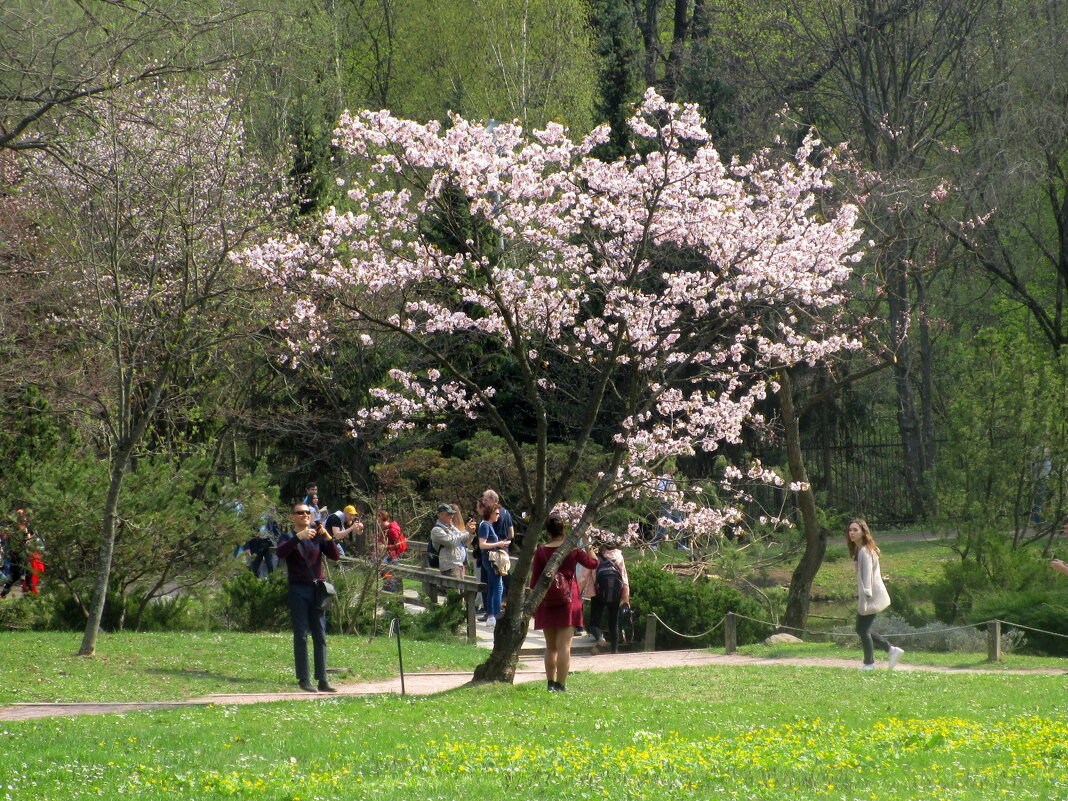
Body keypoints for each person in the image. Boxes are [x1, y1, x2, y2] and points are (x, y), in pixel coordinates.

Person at [276, 502, 342, 693]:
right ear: (293, 516)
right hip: (298, 589)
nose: (305, 515)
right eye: (300, 513)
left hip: (317, 590)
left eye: (308, 513)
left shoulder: (317, 537)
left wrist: (327, 536)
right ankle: (304, 678)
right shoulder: (287, 537)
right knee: (301, 635)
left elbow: (335, 556)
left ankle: (322, 679)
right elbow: (280, 553)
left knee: (320, 635)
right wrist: (298, 537)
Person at [531, 514, 599, 692]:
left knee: (550, 648)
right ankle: (561, 685)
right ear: (564, 529)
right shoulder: (572, 549)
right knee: (564, 647)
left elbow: (534, 583)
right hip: (569, 602)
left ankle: (550, 684)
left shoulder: (541, 551)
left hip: (547, 602)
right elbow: (593, 563)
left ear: (547, 531)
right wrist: (586, 540)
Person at [847, 518, 904, 671]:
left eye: (855, 530)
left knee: (862, 630)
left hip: (871, 596)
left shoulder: (865, 551)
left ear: (863, 532)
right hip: (871, 596)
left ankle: (869, 663)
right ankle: (891, 650)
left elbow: (867, 578)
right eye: (850, 530)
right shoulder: (862, 549)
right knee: (862, 629)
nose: (852, 533)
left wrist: (865, 599)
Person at [587, 540, 630, 653]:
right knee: (613, 622)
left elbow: (586, 576)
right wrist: (625, 598)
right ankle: (614, 651)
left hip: (598, 593)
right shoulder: (619, 557)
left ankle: (601, 638)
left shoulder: (596, 556)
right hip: (615, 594)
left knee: (594, 623)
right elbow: (624, 579)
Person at [477, 500, 511, 626]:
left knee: (493, 586)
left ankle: (491, 615)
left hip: (490, 560)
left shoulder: (488, 525)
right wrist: (499, 544)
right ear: (490, 513)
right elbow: (482, 544)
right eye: (496, 513)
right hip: (491, 560)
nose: (498, 515)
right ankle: (496, 614)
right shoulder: (485, 525)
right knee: (498, 587)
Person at [431, 503, 473, 579]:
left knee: (461, 590)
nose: (452, 516)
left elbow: (465, 542)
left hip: (460, 566)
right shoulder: (437, 530)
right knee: (452, 590)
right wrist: (465, 531)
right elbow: (450, 541)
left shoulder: (452, 527)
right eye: (448, 514)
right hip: (450, 567)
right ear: (440, 515)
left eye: (452, 514)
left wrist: (471, 533)